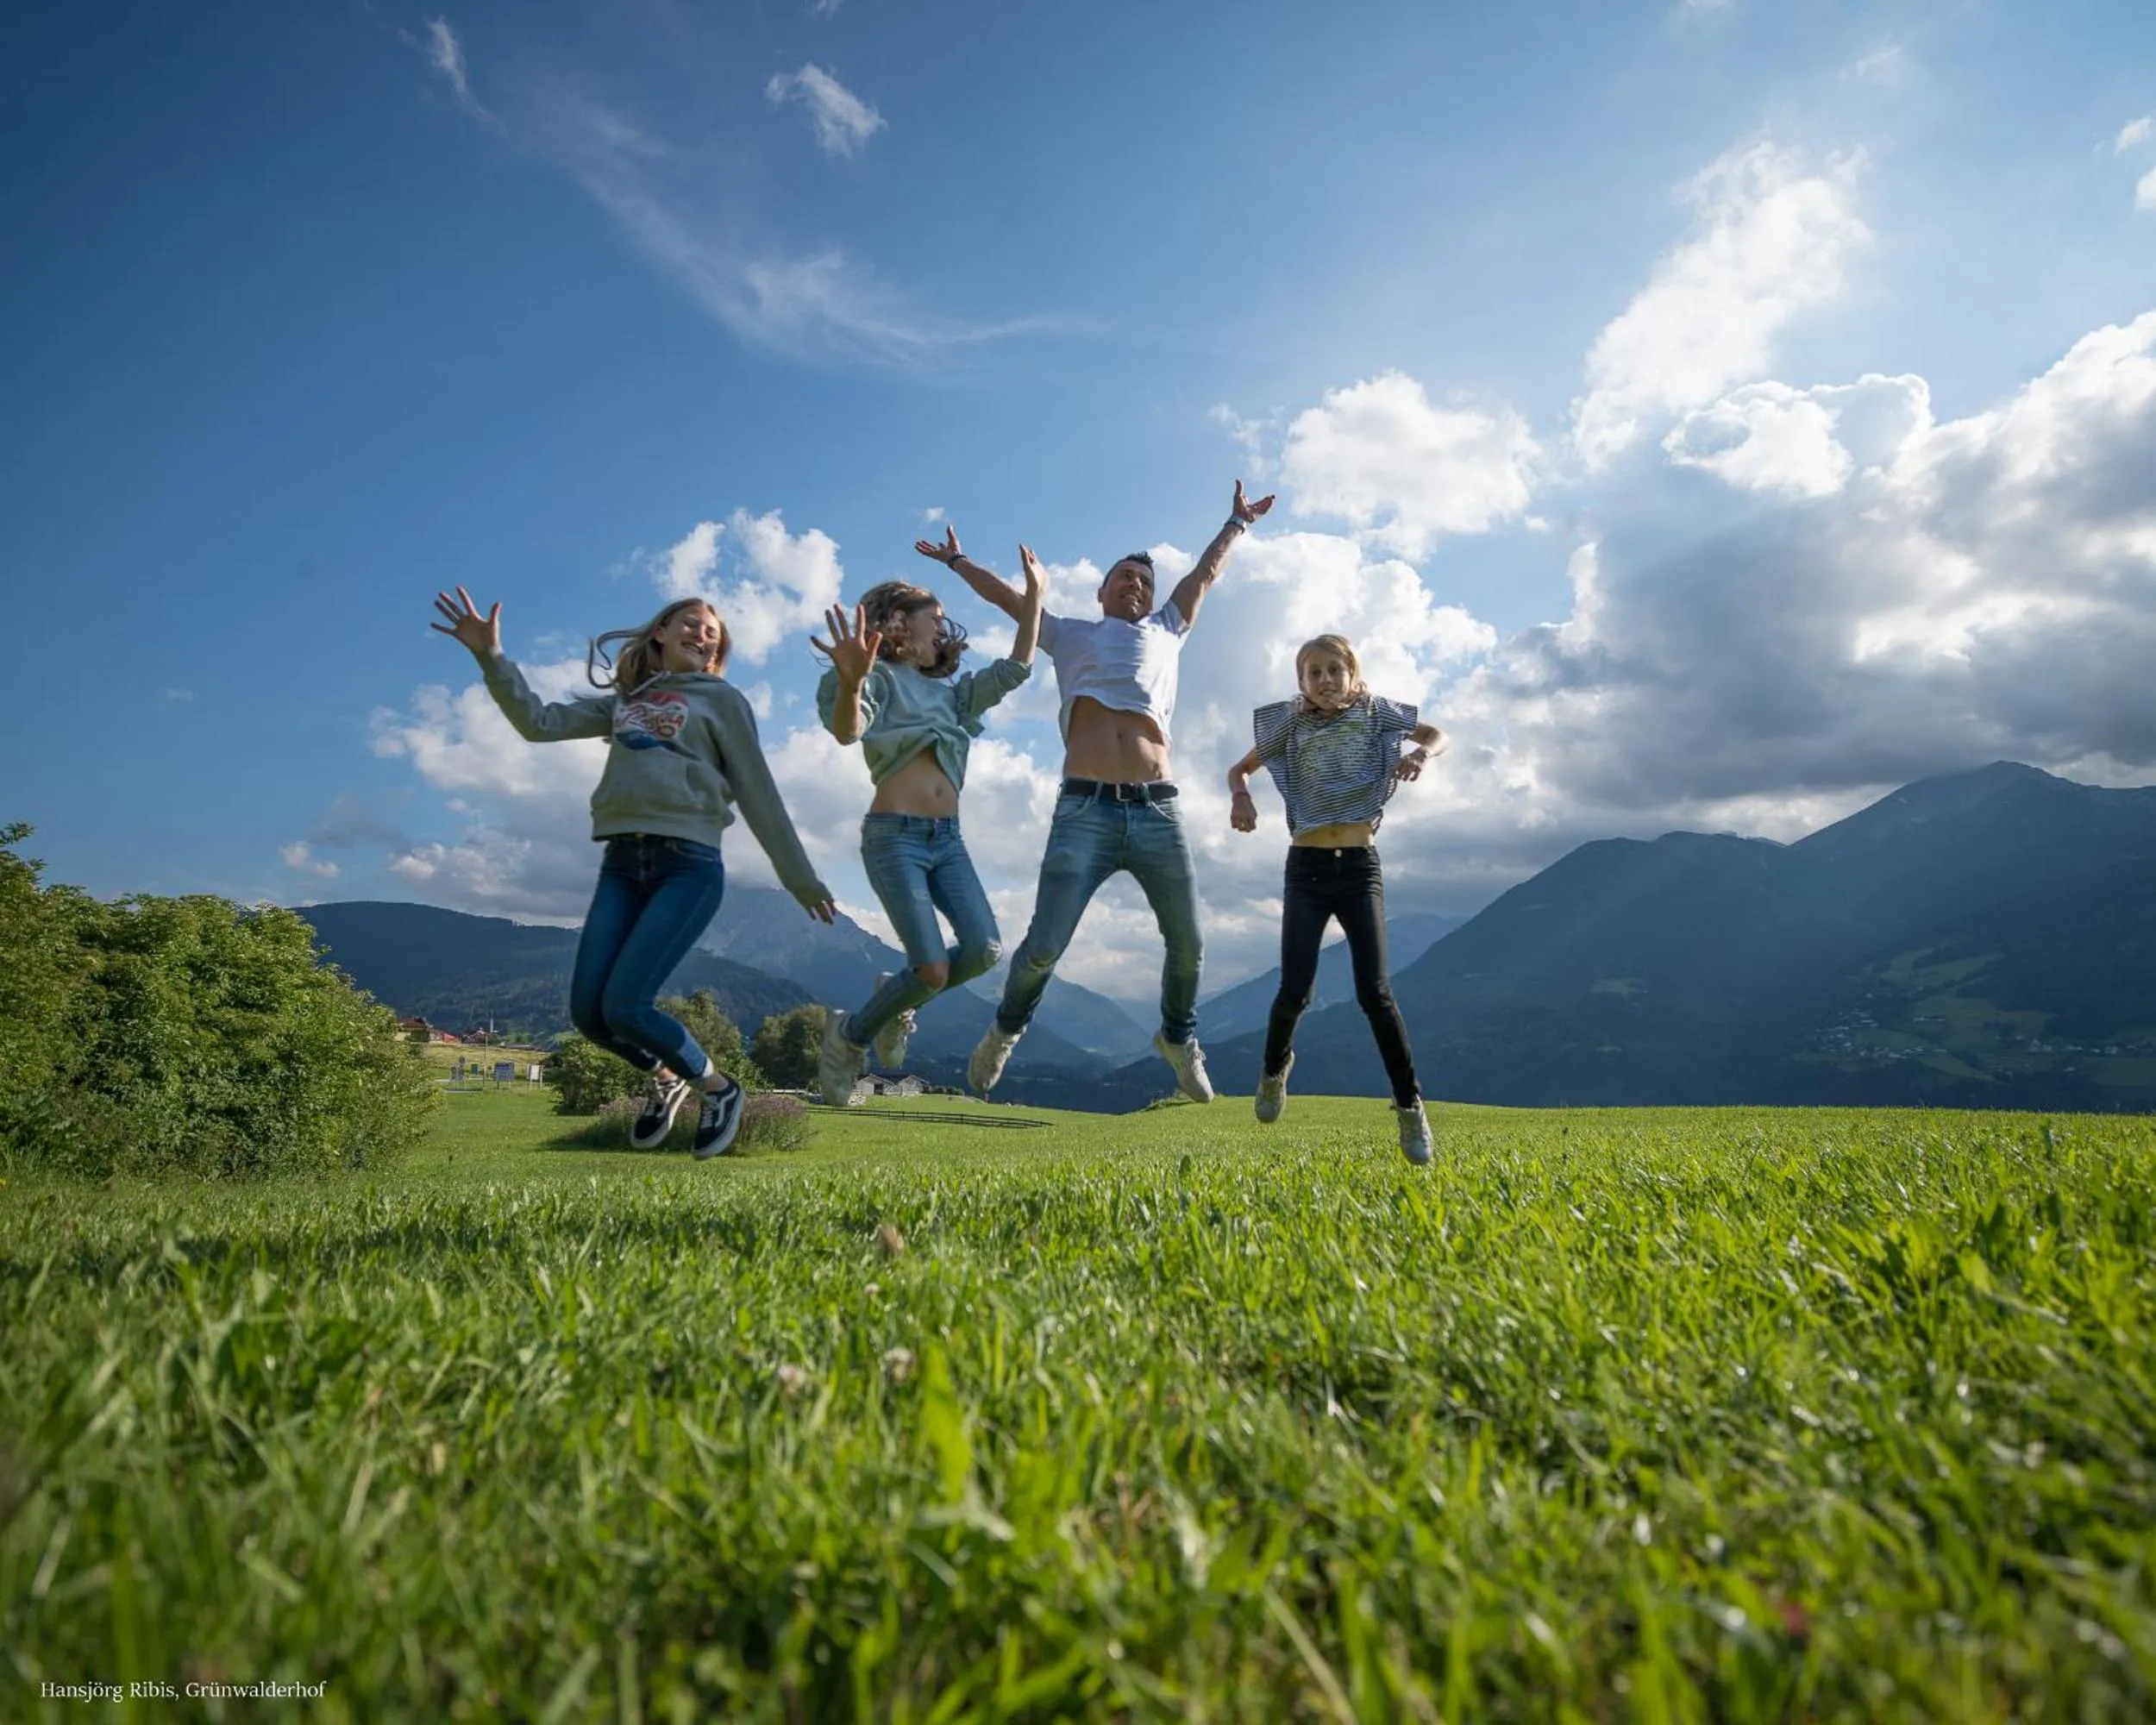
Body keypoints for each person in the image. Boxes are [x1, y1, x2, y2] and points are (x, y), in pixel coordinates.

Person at [431, 586, 836, 1158]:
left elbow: (757, 789)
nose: (703, 635)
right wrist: (490, 657)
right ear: (661, 634)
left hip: (689, 864)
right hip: (621, 863)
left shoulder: (722, 700)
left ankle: (718, 1089)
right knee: (589, 1016)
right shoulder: (624, 703)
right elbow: (539, 723)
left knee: (626, 1004)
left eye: (712, 633)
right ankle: (666, 1080)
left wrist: (800, 879)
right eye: (691, 625)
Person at [926, 480, 1273, 1101]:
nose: (1136, 584)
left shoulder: (1171, 629)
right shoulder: (1068, 634)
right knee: (1041, 949)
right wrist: (958, 563)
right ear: (1101, 589)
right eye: (1125, 577)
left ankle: (1177, 1036)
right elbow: (1010, 600)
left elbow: (1204, 574)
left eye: (1144, 579)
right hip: (1083, 808)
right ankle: (1006, 1028)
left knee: (1189, 942)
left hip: (1157, 810)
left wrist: (1236, 524)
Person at [809, 555, 1044, 1106]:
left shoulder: (951, 695)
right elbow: (848, 732)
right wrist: (851, 681)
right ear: (897, 620)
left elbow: (1017, 667)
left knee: (985, 949)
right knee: (933, 969)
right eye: (933, 617)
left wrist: (1035, 594)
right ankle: (850, 1037)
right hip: (895, 838)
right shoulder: (876, 679)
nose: (942, 626)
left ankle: (894, 1000)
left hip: (949, 842)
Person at [1225, 633, 1446, 1164]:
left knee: (1375, 992)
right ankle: (1276, 1071)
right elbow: (1240, 768)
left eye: (1333, 670)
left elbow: (1437, 733)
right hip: (1306, 868)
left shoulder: (1375, 714)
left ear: (1351, 674)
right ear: (1301, 681)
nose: (1324, 681)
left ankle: (1410, 1108)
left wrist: (1419, 753)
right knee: (1295, 990)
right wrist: (1240, 797)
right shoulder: (1288, 725)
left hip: (1360, 867)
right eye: (1313, 673)